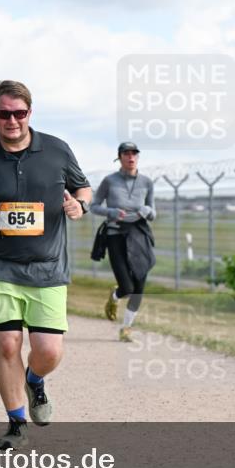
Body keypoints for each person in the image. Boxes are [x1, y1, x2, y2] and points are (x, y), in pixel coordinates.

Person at [0, 80, 92, 450]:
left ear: (30, 112)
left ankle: (34, 381)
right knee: (8, 345)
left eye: (19, 113)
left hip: (47, 266)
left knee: (48, 351)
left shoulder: (57, 150)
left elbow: (83, 188)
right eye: (4, 114)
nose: (12, 120)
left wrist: (80, 205)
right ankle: (16, 422)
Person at [91, 141, 157, 342]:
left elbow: (153, 212)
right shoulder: (109, 181)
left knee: (139, 288)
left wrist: (147, 211)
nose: (131, 157)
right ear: (119, 157)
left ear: (138, 157)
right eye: (126, 154)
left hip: (139, 234)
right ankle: (115, 296)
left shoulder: (147, 182)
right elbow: (94, 206)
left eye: (134, 154)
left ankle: (126, 328)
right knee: (127, 287)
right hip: (116, 234)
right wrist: (111, 212)